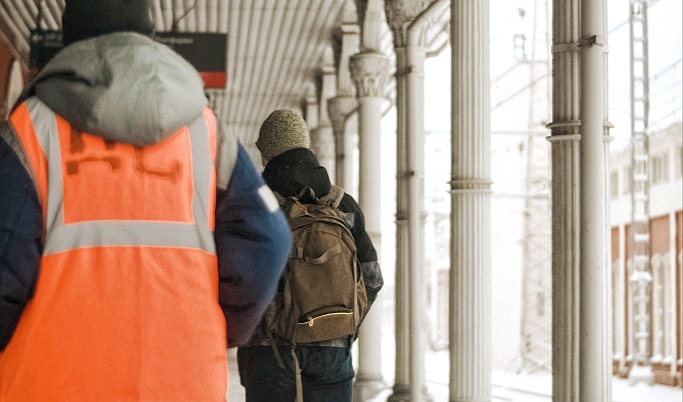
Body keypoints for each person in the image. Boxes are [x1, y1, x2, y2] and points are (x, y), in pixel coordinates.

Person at [0, 0, 291, 400]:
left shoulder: (31, 128)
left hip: (54, 382)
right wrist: (219, 328)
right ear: (148, 35)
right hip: (184, 382)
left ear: (68, 43)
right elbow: (269, 239)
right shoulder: (206, 132)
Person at [237, 109, 384, 402]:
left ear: (266, 154)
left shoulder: (252, 202)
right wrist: (340, 326)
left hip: (267, 351)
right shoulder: (344, 205)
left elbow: (236, 275)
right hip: (332, 349)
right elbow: (372, 279)